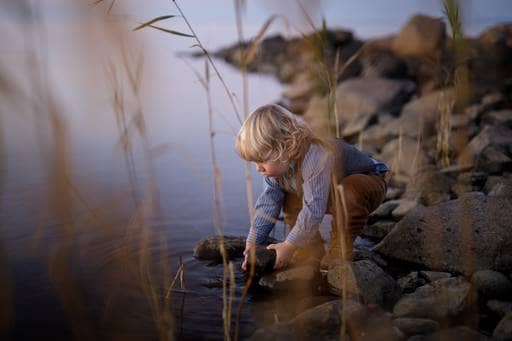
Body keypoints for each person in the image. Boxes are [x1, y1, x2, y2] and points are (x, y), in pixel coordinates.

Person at [235, 104, 388, 271]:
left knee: (349, 191)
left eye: (262, 160)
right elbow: (267, 205)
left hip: (368, 181)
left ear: (285, 146)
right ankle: (309, 248)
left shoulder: (316, 156)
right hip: (327, 191)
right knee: (286, 197)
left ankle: (339, 251)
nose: (258, 168)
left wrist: (288, 245)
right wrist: (252, 243)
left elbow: (313, 210)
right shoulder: (276, 171)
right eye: (254, 162)